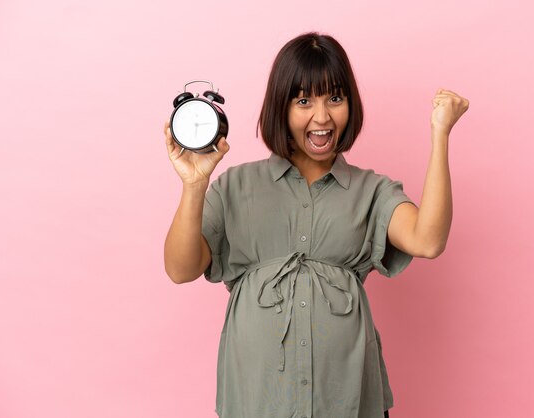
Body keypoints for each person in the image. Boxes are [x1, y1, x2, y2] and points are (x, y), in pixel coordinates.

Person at [163, 32, 469, 418]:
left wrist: (440, 134)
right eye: (304, 100)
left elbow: (428, 240)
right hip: (257, 402)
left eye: (335, 98)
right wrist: (195, 185)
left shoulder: (371, 191)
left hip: (348, 403)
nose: (322, 117)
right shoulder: (235, 187)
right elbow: (180, 268)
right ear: (281, 106)